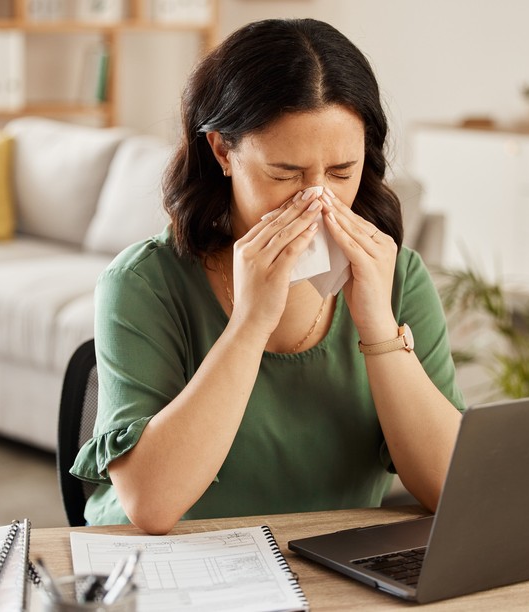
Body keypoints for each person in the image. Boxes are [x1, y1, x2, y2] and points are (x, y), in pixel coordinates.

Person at [71, 18, 465, 534]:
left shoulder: (398, 278)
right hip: (164, 570)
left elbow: (450, 488)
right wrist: (250, 323)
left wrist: (377, 327)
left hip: (329, 572)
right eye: (285, 174)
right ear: (221, 151)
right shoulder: (144, 283)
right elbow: (151, 505)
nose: (317, 199)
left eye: (343, 172)